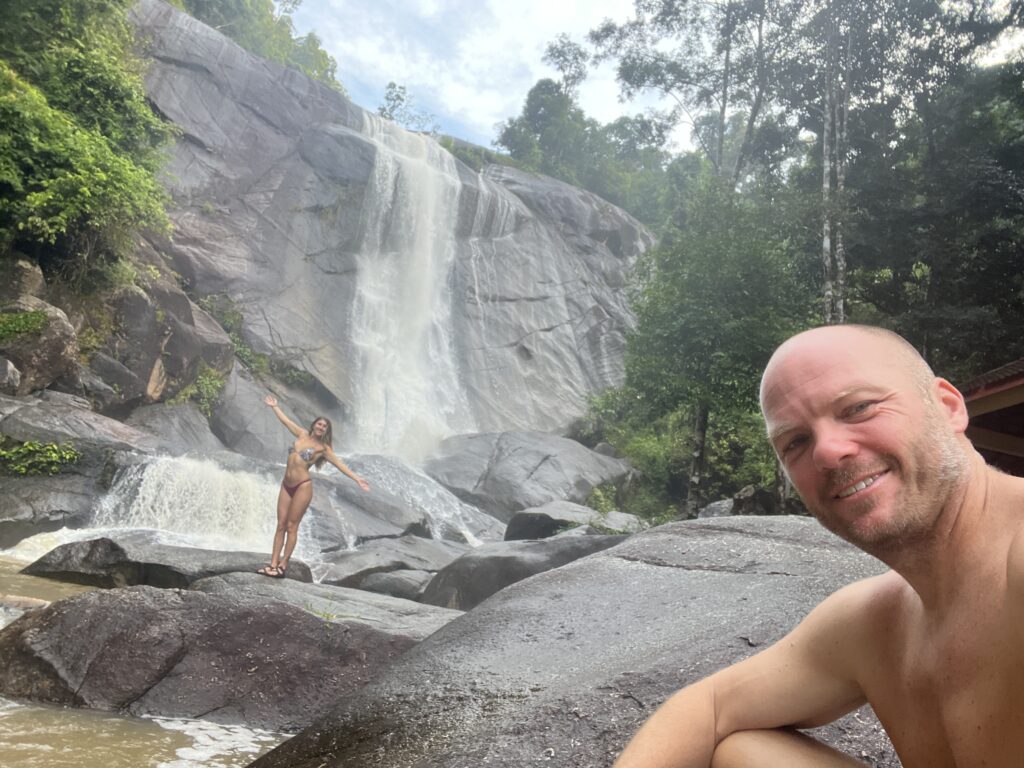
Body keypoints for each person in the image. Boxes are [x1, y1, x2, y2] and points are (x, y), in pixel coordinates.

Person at [614, 324, 1024, 768]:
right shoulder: (875, 621)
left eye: (860, 407)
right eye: (796, 442)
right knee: (744, 753)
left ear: (947, 406)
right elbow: (711, 706)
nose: (828, 452)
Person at [258, 394, 370, 578]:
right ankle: (272, 564)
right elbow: (286, 421)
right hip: (286, 485)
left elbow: (340, 465)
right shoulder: (301, 434)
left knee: (292, 526)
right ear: (314, 425)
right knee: (280, 525)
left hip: (302, 486)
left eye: (325, 426)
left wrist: (357, 478)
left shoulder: (324, 449)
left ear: (326, 431)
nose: (321, 427)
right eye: (319, 424)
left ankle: (282, 566)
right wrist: (275, 406)